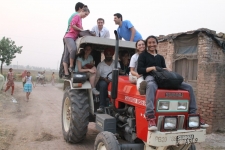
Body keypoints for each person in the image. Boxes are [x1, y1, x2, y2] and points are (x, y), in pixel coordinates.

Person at [137, 36, 200, 131]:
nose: (151, 44)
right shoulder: (143, 56)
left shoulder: (160, 57)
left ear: (157, 43)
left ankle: (192, 114)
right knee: (150, 85)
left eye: (153, 42)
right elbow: (140, 70)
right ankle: (150, 115)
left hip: (162, 77)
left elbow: (163, 68)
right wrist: (153, 68)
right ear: (146, 45)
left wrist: (166, 70)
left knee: (189, 87)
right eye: (149, 43)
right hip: (150, 76)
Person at [63, 7, 90, 79]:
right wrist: (80, 29)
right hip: (69, 37)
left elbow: (81, 29)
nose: (85, 16)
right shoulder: (77, 16)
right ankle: (71, 66)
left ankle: (66, 73)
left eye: (87, 15)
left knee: (66, 55)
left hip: (74, 38)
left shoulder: (80, 19)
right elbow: (73, 25)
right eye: (85, 14)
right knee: (73, 50)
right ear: (82, 11)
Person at [96, 48, 120, 113]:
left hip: (114, 80)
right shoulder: (100, 65)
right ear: (105, 55)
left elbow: (119, 72)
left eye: (110, 54)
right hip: (103, 80)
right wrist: (104, 79)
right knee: (103, 85)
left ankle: (117, 106)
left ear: (112, 55)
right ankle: (102, 106)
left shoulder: (116, 63)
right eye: (107, 54)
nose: (109, 56)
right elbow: (97, 76)